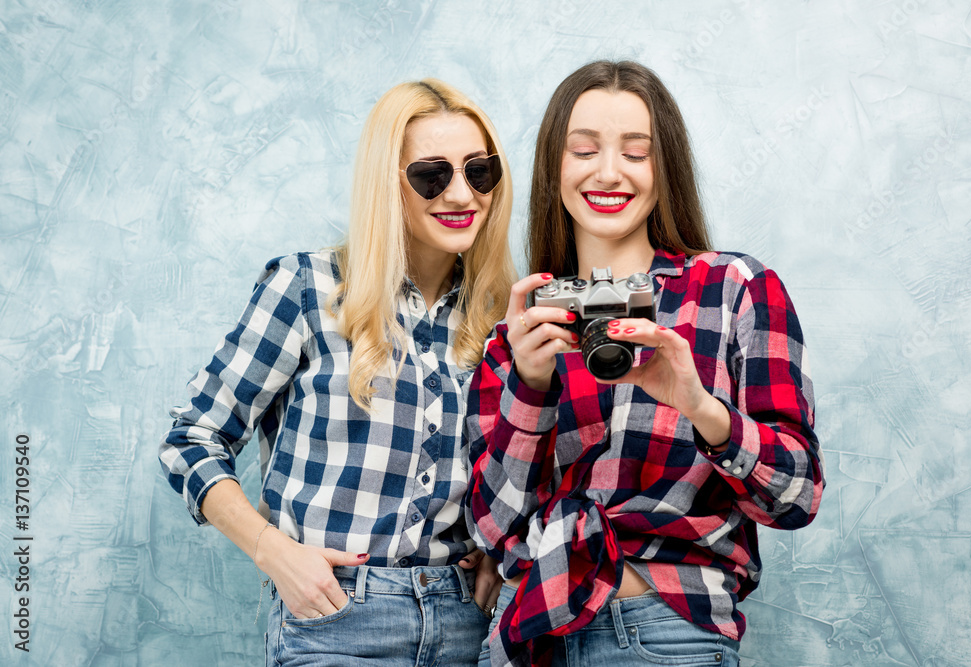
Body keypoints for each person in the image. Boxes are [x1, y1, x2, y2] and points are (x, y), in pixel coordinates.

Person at [466, 60, 824, 667]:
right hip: (530, 638)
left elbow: (796, 497)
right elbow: (494, 530)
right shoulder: (522, 328)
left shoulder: (733, 289)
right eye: (584, 151)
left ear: (667, 169)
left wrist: (701, 408)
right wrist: (530, 387)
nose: (609, 171)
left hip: (664, 631)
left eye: (637, 153)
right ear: (555, 165)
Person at [159, 78, 516, 666]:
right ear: (388, 183)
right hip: (335, 619)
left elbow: (520, 468)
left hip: (465, 628)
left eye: (479, 172)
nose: (461, 194)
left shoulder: (502, 316)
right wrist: (274, 552)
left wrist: (499, 554)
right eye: (432, 174)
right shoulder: (306, 287)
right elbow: (192, 439)